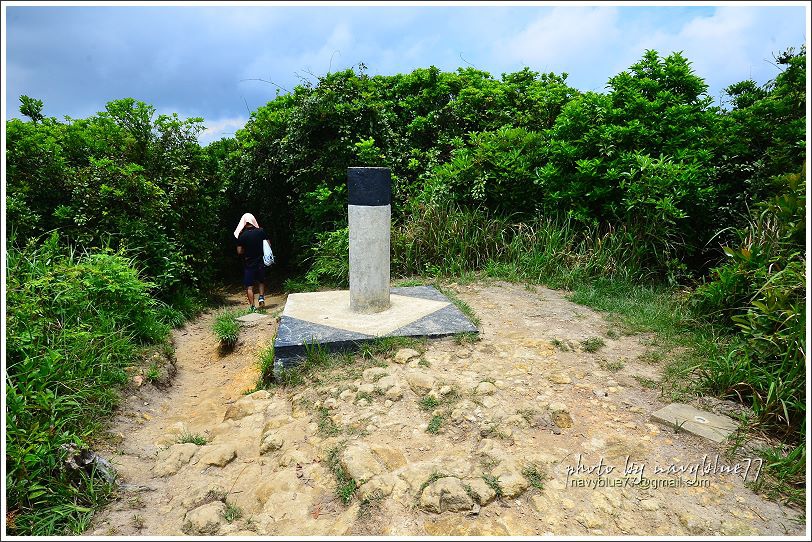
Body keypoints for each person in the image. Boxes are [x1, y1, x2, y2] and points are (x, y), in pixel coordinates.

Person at [234, 212, 269, 311]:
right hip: (260, 260)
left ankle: (252, 307)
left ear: (244, 223)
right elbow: (268, 245)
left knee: (249, 286)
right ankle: (261, 297)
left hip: (249, 262)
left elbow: (239, 251)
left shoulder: (242, 236)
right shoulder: (261, 231)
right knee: (261, 281)